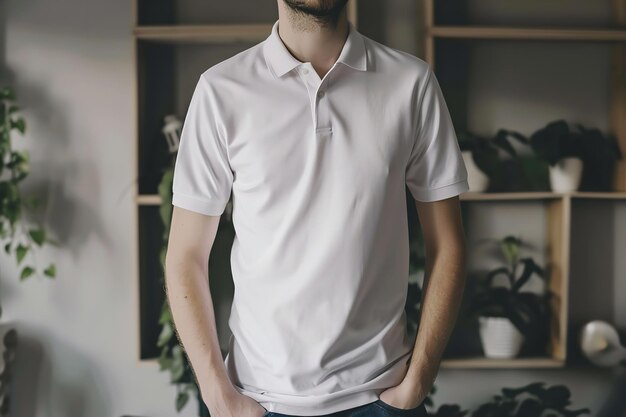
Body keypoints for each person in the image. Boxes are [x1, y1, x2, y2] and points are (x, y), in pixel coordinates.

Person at [164, 1, 470, 416]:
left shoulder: (410, 83)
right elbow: (185, 255)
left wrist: (417, 381)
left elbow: (448, 243)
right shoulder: (221, 90)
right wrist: (219, 394)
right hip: (257, 400)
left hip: (380, 398)